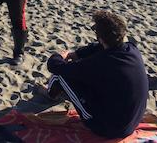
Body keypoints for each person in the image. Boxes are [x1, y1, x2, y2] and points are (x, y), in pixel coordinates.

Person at [47, 10, 149, 138]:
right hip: (132, 122)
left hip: (105, 129)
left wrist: (62, 55)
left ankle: (51, 94)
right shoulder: (131, 49)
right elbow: (97, 47)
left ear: (100, 38)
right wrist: (77, 54)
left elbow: (54, 66)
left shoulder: (99, 63)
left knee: (60, 76)